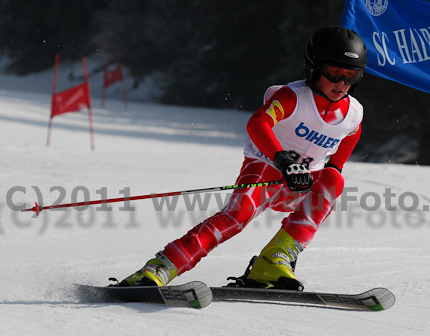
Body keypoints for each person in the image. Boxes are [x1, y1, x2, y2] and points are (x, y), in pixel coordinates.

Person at [117, 26, 367, 290]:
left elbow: (349, 136)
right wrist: (282, 161)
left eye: (351, 75)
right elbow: (258, 124)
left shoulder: (353, 113)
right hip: (266, 171)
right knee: (236, 217)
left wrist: (329, 168)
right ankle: (160, 268)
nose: (341, 83)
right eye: (334, 72)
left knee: (333, 179)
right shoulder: (293, 98)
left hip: (299, 185)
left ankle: (273, 262)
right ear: (314, 68)